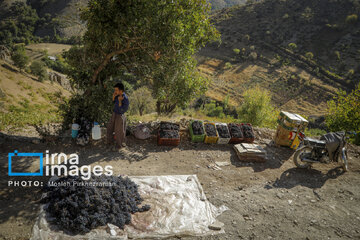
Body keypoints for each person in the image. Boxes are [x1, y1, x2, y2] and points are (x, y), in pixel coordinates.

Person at [107, 82, 129, 151]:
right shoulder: (117, 95)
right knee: (110, 127)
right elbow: (114, 103)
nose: (115, 91)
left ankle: (119, 146)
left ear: (121, 91)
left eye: (116, 90)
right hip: (114, 113)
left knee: (118, 131)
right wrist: (113, 97)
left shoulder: (125, 99)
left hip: (120, 115)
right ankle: (109, 142)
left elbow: (122, 110)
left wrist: (120, 102)